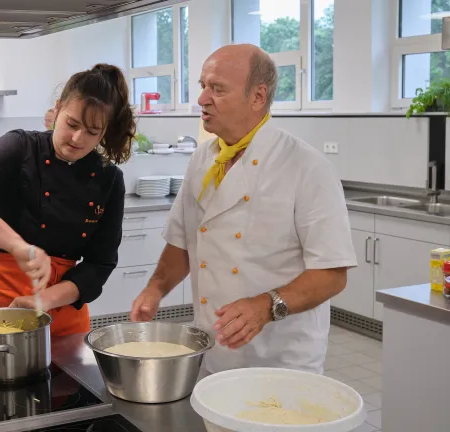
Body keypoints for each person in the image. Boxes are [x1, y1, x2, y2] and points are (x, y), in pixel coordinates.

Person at [129, 44, 357, 378]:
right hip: (213, 350)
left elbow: (333, 274)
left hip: (280, 358)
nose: (202, 99)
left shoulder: (306, 166)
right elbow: (182, 242)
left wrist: (266, 306)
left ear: (257, 96)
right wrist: (155, 287)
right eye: (202, 86)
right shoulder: (203, 159)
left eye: (217, 89)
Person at [0, 64, 135, 337]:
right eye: (72, 124)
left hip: (61, 306)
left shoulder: (109, 178)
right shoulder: (21, 147)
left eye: (93, 132)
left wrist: (45, 300)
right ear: (58, 109)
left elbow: (100, 263)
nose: (78, 138)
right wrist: (18, 246)